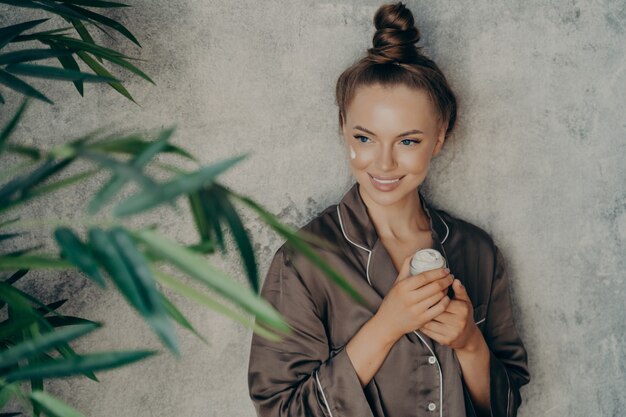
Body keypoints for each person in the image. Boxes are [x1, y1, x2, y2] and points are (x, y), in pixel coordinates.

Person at [247, 2, 530, 416]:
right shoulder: (302, 263)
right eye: (365, 138)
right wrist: (386, 325)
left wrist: (469, 342)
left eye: (408, 141)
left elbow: (507, 405)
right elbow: (280, 409)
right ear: (343, 127)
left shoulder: (478, 252)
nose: (382, 163)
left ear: (439, 138)